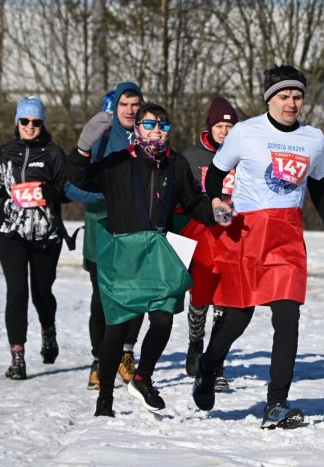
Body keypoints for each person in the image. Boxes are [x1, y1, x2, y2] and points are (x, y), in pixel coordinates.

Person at [192, 64, 324, 429]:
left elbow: (318, 185)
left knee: (287, 318)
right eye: (284, 96)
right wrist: (215, 202)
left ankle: (276, 403)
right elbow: (215, 172)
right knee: (237, 320)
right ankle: (208, 366)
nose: (291, 103)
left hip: (288, 237)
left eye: (297, 96)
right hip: (247, 234)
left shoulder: (314, 138)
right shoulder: (245, 133)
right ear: (269, 99)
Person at [68, 101, 214, 417]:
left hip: (158, 251)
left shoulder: (175, 165)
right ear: (137, 129)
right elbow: (79, 179)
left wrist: (216, 211)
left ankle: (143, 376)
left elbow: (192, 202)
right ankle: (104, 398)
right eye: (149, 125)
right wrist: (83, 148)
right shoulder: (119, 162)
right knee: (116, 331)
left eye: (163, 126)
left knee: (162, 319)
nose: (157, 131)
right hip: (124, 254)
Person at [0, 96, 68, 380]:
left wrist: (51, 193)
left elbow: (67, 190)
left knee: (42, 292)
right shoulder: (6, 151)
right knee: (17, 292)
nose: (30, 126)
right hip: (10, 231)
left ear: (42, 123)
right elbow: (0, 186)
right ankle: (17, 357)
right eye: (25, 121)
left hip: (45, 234)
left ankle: (48, 332)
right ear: (17, 122)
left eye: (36, 122)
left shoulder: (53, 153)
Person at [65, 86, 145, 390]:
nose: (130, 110)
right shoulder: (100, 133)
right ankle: (99, 360)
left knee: (137, 295)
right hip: (102, 226)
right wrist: (110, 196)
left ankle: (126, 353)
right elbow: (72, 187)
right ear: (115, 106)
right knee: (102, 299)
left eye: (135, 104)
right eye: (124, 104)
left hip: (137, 228)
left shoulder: (148, 133)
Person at [179, 96, 239, 392]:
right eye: (219, 125)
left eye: (230, 126)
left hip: (233, 237)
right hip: (202, 234)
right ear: (209, 127)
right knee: (201, 297)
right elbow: (182, 198)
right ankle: (195, 344)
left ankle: (216, 364)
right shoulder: (192, 157)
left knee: (227, 301)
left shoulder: (242, 156)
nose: (225, 132)